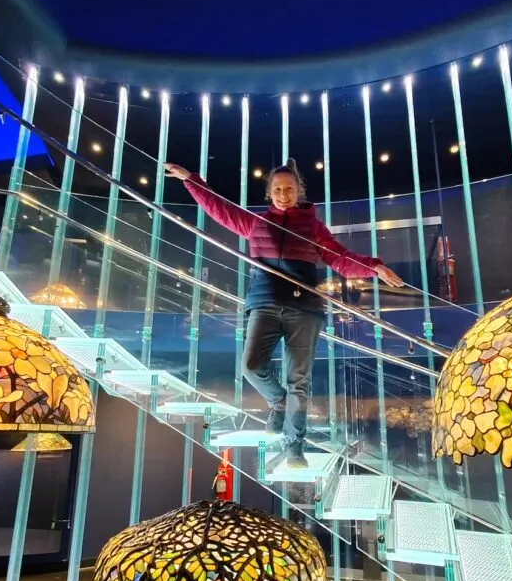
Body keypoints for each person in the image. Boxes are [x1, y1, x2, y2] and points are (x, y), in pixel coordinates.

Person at [165, 159, 403, 468]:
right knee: (251, 366)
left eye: (289, 189)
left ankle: (294, 446)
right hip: (264, 301)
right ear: (270, 193)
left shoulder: (312, 227)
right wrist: (190, 180)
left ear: (298, 191)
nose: (283, 194)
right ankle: (278, 403)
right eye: (277, 189)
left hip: (304, 309)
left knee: (298, 383)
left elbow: (341, 259)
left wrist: (373, 266)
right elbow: (219, 208)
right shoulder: (256, 223)